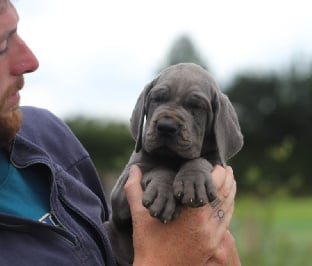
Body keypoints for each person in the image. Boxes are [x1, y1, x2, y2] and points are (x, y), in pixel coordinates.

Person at [0, 1, 241, 265]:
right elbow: (122, 208)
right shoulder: (144, 159)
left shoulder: (49, 138)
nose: (168, 122)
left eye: (195, 106)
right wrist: (158, 177)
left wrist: (198, 167)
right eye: (2, 44)